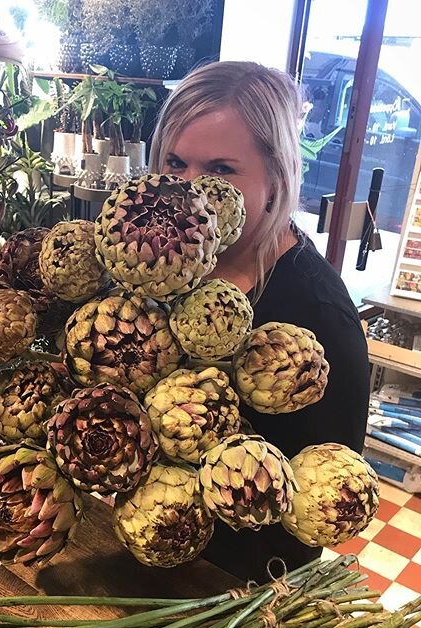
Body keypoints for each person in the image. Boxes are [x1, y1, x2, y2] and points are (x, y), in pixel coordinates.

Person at [149, 61, 370, 583]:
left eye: (222, 169)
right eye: (174, 163)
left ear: (276, 176)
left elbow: (328, 490)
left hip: (242, 587)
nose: (189, 190)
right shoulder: (160, 266)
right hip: (146, 548)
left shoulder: (317, 314)